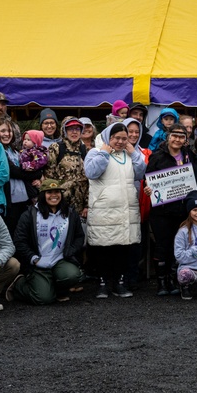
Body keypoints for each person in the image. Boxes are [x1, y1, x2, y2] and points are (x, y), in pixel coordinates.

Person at [84, 123, 145, 298]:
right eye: (116, 138)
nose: (120, 141)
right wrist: (104, 152)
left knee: (123, 248)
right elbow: (91, 172)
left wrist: (133, 153)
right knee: (103, 248)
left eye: (123, 138)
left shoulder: (130, 155)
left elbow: (141, 173)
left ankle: (120, 283)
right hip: (104, 210)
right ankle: (103, 283)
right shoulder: (95, 152)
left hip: (126, 209)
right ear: (107, 137)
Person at [10, 179, 85, 305]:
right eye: (49, 192)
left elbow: (79, 237)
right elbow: (19, 241)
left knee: (73, 275)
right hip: (38, 262)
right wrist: (33, 258)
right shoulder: (30, 214)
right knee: (43, 298)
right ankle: (19, 284)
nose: (54, 195)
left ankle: (58, 290)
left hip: (60, 260)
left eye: (57, 192)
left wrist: (69, 252)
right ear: (42, 195)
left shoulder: (70, 213)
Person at [145, 123, 192, 295]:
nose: (178, 139)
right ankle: (161, 282)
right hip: (161, 210)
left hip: (181, 210)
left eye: (182, 136)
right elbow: (148, 178)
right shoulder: (157, 156)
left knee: (177, 245)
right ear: (168, 136)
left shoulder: (188, 155)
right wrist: (148, 188)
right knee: (162, 245)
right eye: (175, 135)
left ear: (186, 139)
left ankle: (173, 279)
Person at [0, 117, 36, 233]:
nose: (7, 134)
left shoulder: (15, 150)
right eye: (3, 131)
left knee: (22, 232)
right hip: (8, 200)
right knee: (9, 232)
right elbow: (12, 171)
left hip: (23, 198)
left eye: (9, 131)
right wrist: (37, 175)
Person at [43, 117, 89, 217]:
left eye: (77, 129)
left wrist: (87, 204)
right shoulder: (56, 148)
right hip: (60, 203)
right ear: (64, 130)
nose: (74, 132)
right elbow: (48, 176)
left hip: (80, 206)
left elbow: (89, 180)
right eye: (70, 129)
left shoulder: (84, 149)